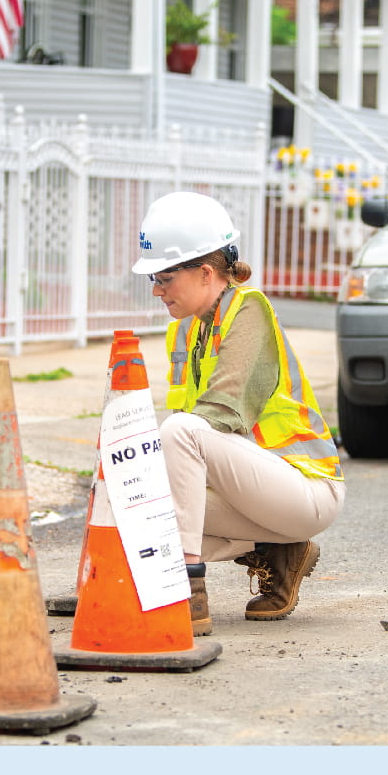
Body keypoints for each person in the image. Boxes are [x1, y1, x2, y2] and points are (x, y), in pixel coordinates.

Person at [135, 191, 344, 629]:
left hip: (303, 488)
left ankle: (186, 588)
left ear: (206, 272)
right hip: (250, 491)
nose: (156, 289)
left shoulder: (248, 312)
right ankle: (276, 551)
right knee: (127, 497)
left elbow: (219, 414)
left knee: (177, 433)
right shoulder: (184, 333)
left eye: (164, 277)